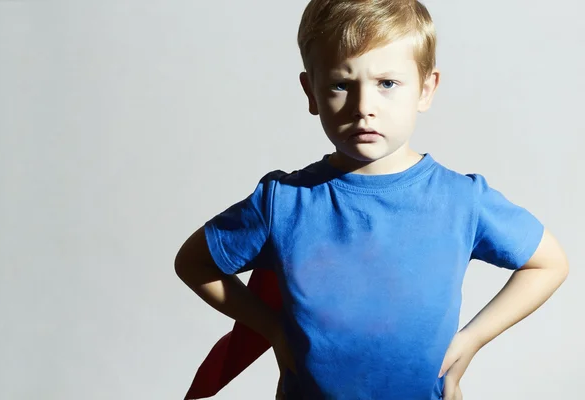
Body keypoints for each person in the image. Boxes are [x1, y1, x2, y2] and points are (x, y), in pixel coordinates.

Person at [175, 0, 569, 399]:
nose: (364, 108)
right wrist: (273, 328)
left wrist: (473, 339)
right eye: (341, 85)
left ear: (426, 88)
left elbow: (548, 264)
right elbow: (193, 263)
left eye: (387, 83)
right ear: (311, 91)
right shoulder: (284, 202)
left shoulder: (462, 201)